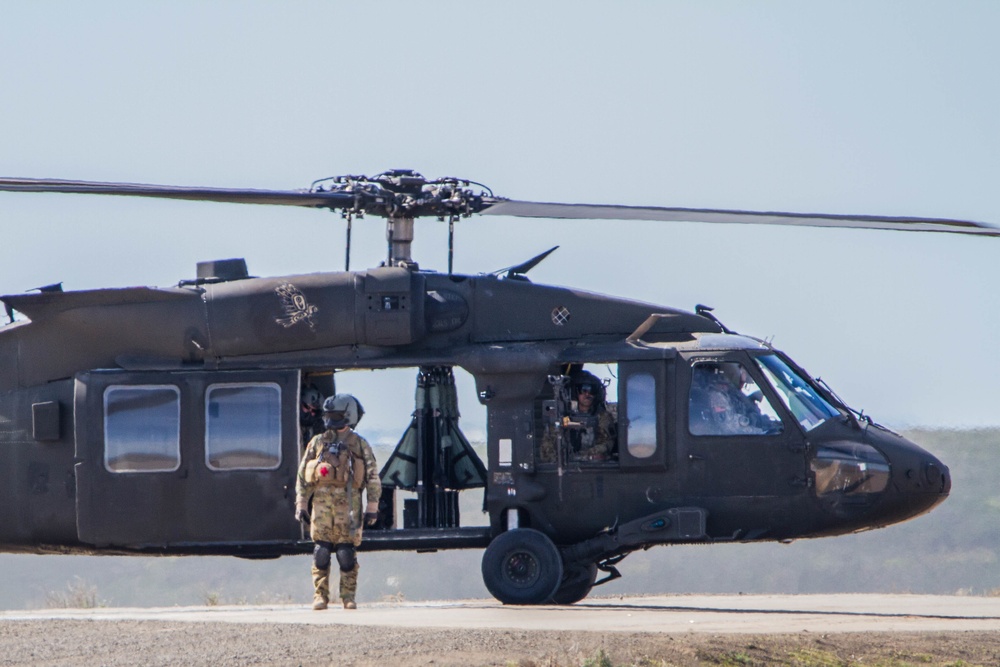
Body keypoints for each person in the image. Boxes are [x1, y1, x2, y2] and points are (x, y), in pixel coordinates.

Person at [295, 394, 381, 610]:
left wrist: (372, 507)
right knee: (321, 553)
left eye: (336, 415)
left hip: (349, 509)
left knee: (346, 554)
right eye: (329, 414)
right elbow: (303, 475)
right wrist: (301, 503)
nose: (331, 419)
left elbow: (372, 476)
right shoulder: (318, 442)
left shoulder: (359, 445)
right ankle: (320, 596)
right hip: (322, 508)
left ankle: (348, 596)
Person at [539, 371, 617, 463]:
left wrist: (583, 457)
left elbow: (606, 444)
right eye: (583, 389)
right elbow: (547, 446)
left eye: (592, 390)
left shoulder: (602, 417)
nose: (587, 394)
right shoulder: (561, 416)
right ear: (575, 392)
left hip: (591, 467)